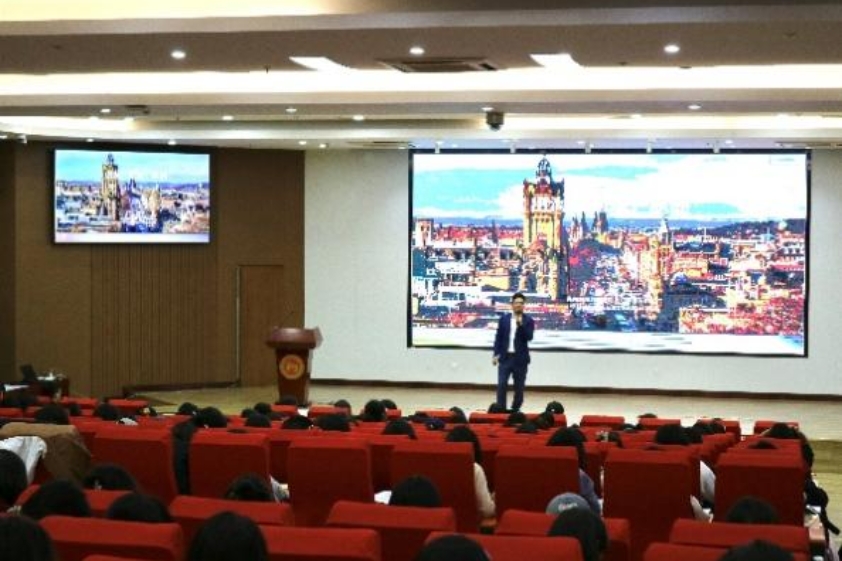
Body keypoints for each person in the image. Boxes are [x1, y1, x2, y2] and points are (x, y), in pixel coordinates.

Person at [492, 292, 535, 412]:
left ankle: (515, 409)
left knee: (519, 387)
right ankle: (501, 409)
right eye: (516, 303)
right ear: (512, 305)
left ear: (524, 305)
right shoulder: (504, 319)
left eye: (521, 303)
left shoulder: (528, 320)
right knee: (501, 384)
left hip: (520, 359)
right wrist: (495, 354)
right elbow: (499, 338)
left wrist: (521, 325)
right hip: (505, 358)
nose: (518, 305)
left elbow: (529, 337)